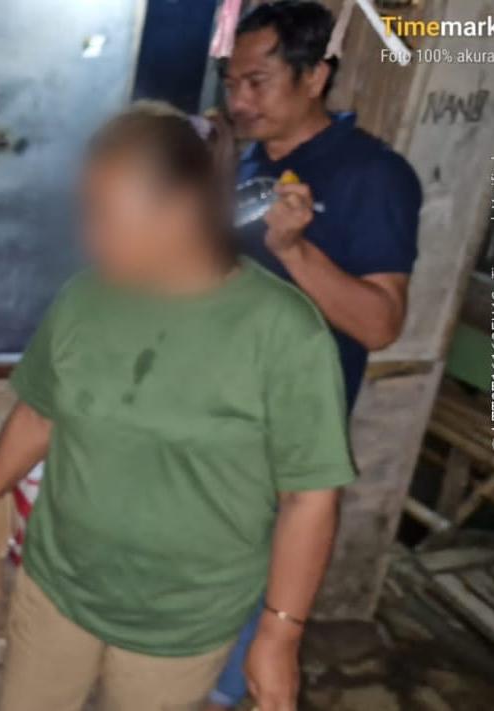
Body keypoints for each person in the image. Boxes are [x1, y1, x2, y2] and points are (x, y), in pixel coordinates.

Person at [0, 102, 355, 711]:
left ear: (181, 211)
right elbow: (39, 414)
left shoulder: (283, 331)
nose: (88, 237)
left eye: (105, 215)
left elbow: (309, 498)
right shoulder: (84, 299)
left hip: (179, 621)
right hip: (58, 587)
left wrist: (279, 634)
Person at [207, 2, 422, 709]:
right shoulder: (243, 161)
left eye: (257, 82)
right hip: (207, 420)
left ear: (314, 77)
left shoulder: (373, 176)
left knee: (249, 598)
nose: (239, 100)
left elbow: (380, 324)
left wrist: (295, 250)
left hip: (283, 439)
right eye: (232, 83)